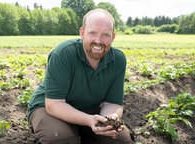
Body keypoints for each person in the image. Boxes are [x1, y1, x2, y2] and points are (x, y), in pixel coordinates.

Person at [28, 8, 134, 144]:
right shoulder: (63, 54)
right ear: (82, 33)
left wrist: (109, 119)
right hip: (50, 108)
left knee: (120, 140)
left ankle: (84, 134)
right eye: (92, 33)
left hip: (89, 109)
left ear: (113, 37)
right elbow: (54, 104)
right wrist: (89, 120)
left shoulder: (118, 59)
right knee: (61, 137)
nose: (98, 40)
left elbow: (112, 103)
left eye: (105, 35)